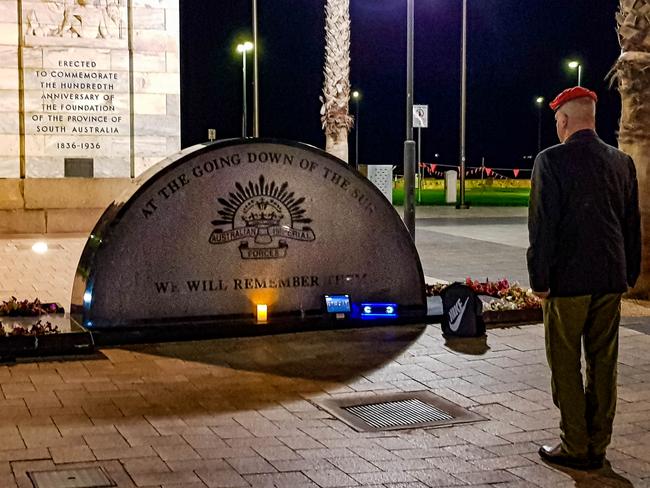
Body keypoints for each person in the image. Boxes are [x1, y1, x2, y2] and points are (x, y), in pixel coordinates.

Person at [527, 86, 641, 470]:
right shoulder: (621, 162)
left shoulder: (550, 161)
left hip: (567, 282)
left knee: (565, 363)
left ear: (563, 120)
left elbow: (543, 226)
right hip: (609, 279)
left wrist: (539, 278)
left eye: (558, 121)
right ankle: (599, 443)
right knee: (604, 363)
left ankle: (574, 443)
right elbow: (631, 225)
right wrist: (629, 274)